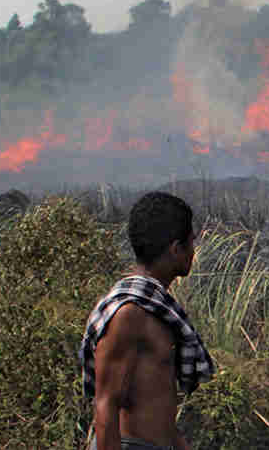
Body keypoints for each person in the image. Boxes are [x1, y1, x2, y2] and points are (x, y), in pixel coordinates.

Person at [79, 192, 215, 450]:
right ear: (176, 249)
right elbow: (106, 404)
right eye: (191, 243)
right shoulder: (130, 313)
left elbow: (156, 403)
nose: (193, 252)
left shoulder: (157, 308)